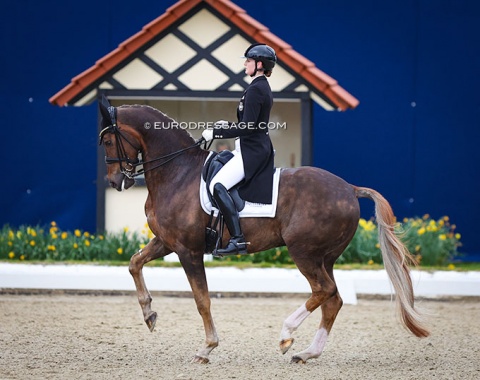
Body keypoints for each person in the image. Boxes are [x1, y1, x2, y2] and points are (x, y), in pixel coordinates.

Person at [202, 43, 277, 256]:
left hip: (252, 151)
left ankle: (237, 239)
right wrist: (226, 125)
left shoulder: (256, 89)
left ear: (259, 64)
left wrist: (216, 133)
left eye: (249, 61)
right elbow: (248, 123)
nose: (245, 64)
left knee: (217, 185)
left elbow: (248, 127)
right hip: (250, 147)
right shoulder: (259, 87)